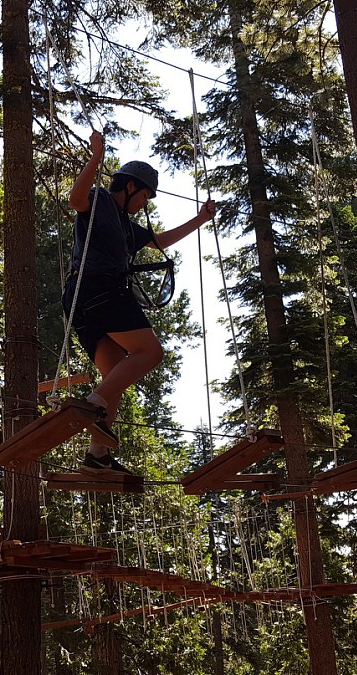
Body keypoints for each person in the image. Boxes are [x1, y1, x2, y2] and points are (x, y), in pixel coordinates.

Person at [63, 130, 215, 474]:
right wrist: (95, 157)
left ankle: (97, 456)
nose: (145, 204)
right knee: (150, 352)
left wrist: (200, 219)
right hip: (100, 289)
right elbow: (75, 199)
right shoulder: (100, 200)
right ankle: (92, 406)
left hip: (81, 299)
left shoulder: (126, 227)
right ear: (130, 186)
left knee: (114, 374)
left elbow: (160, 241)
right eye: (144, 196)